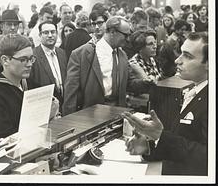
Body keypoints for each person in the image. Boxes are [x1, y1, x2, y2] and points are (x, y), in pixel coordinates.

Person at [122, 32, 208, 176]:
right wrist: (149, 147)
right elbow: (185, 140)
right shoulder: (196, 90)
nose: (177, 61)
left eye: (188, 56)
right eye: (181, 53)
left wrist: (160, 136)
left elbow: (207, 157)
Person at [62, 16, 152, 116]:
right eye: (125, 35)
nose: (128, 40)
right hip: (90, 116)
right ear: (112, 32)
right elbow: (71, 93)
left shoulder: (122, 55)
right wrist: (69, 121)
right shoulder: (81, 54)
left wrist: (144, 83)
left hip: (117, 114)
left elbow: (128, 83)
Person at [27, 21, 67, 112]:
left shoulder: (62, 53)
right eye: (46, 33)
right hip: (44, 108)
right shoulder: (33, 56)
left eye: (53, 32)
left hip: (64, 107)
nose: (50, 35)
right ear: (40, 35)